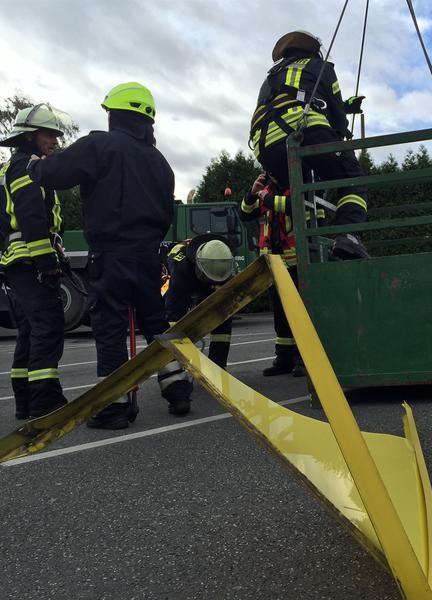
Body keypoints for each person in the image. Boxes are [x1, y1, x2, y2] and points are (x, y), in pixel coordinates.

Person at [28, 82, 176, 430]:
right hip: (148, 255)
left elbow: (57, 173)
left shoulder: (100, 145)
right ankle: (178, 388)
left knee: (110, 328)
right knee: (156, 324)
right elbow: (168, 212)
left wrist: (34, 166)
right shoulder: (161, 163)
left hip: (112, 255)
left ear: (115, 115)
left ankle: (113, 406)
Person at [249, 30, 370, 261]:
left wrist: (345, 107)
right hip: (302, 131)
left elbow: (293, 100)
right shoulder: (320, 66)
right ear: (314, 51)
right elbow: (335, 116)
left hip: (264, 144)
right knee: (352, 179)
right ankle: (348, 236)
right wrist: (342, 129)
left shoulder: (271, 77)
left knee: (302, 194)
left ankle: (311, 245)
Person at [0, 104, 68, 419]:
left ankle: (24, 401)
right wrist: (46, 261)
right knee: (48, 326)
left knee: (29, 332)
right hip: (30, 260)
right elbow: (32, 216)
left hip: (17, 262)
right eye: (49, 134)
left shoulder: (9, 168)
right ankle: (45, 401)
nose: (55, 142)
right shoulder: (26, 168)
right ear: (30, 137)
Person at [240, 173, 315, 377]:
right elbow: (245, 214)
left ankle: (303, 359)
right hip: (274, 264)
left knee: (302, 313)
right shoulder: (267, 192)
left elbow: (293, 206)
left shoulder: (300, 187)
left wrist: (264, 196)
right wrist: (251, 193)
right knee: (280, 316)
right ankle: (284, 359)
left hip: (297, 263)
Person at [159, 235, 236, 414]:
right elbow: (173, 313)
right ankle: (175, 376)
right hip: (186, 281)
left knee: (223, 317)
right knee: (173, 323)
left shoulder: (225, 259)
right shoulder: (179, 267)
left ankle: (218, 368)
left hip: (210, 273)